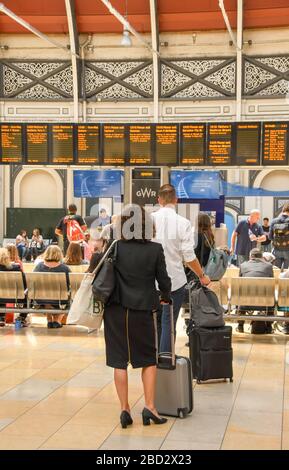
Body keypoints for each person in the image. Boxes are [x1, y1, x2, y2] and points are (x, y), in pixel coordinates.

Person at [104, 206, 171, 428]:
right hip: (142, 310)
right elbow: (164, 281)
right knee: (147, 359)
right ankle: (150, 407)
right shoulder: (155, 249)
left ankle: (124, 409)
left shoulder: (116, 247)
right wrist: (166, 297)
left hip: (115, 309)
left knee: (119, 360)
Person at [152, 184, 210, 354]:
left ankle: (152, 361)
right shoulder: (183, 223)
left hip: (151, 281)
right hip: (174, 282)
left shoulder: (148, 220)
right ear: (176, 200)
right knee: (168, 322)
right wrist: (202, 275)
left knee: (154, 321)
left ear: (159, 200)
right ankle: (166, 361)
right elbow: (188, 255)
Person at [236, 248, 274, 333]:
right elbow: (271, 285)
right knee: (271, 296)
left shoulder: (243, 265)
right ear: (261, 257)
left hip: (245, 303)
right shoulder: (268, 266)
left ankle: (240, 326)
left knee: (242, 295)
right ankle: (269, 327)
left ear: (250, 257)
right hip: (265, 303)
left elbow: (240, 283)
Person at [33, 246, 70, 328]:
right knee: (66, 297)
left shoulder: (39, 266)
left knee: (47, 296)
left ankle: (49, 319)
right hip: (60, 299)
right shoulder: (64, 268)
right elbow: (69, 284)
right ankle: (57, 320)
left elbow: (34, 282)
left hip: (41, 299)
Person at [0, 247, 27, 327]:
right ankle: (22, 317)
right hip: (17, 297)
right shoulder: (16, 268)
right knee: (28, 293)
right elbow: (24, 285)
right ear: (7, 258)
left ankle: (1, 317)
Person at [269, 203, 289, 271]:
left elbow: (270, 237)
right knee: (287, 273)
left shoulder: (274, 221)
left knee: (276, 271)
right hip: (288, 250)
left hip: (276, 249)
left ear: (283, 210)